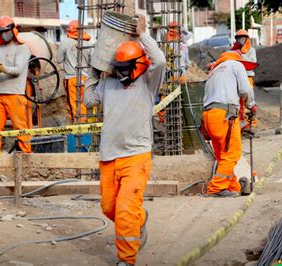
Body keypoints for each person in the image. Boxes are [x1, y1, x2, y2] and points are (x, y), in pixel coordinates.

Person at [84, 15, 166, 266]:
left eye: (126, 67)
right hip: (109, 155)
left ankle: (127, 259)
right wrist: (95, 72)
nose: (122, 73)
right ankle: (139, 219)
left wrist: (142, 34)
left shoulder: (148, 82)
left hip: (136, 155)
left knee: (125, 210)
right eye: (118, 68)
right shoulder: (109, 83)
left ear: (139, 64)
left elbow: (160, 60)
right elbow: (88, 100)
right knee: (109, 208)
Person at [202, 51, 258, 197]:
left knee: (223, 156)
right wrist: (251, 105)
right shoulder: (236, 65)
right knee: (232, 154)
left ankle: (232, 186)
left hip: (209, 116)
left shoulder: (214, 72)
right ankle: (216, 188)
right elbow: (245, 90)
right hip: (225, 115)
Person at [0, 16, 32, 166]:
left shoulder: (23, 48)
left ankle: (25, 155)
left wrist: (2, 68)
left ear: (13, 30)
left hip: (15, 94)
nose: (4, 34)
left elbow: (18, 70)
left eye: (6, 31)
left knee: (20, 127)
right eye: (2, 32)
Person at [56, 20, 91, 124]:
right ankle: (84, 130)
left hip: (71, 79)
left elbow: (58, 60)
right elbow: (91, 62)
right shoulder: (87, 43)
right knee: (83, 105)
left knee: (73, 106)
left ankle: (76, 131)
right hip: (85, 79)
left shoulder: (66, 42)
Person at [232, 29, 258, 127]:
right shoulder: (233, 50)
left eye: (243, 38)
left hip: (248, 76)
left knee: (249, 99)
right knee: (238, 102)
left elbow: (252, 62)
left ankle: (250, 125)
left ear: (247, 39)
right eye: (239, 38)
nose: (241, 40)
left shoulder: (251, 50)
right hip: (237, 78)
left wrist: (241, 57)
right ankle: (240, 124)